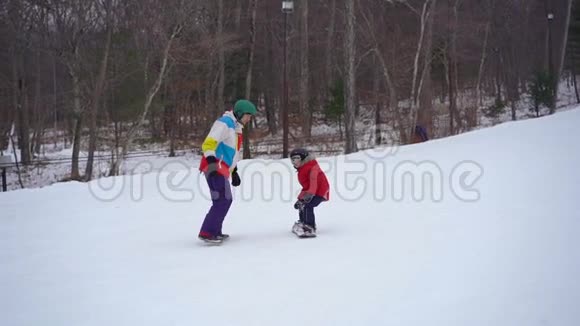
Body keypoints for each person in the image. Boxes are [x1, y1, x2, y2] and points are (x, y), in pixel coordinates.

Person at [198, 99, 256, 243]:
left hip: (222, 167)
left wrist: (234, 170)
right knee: (223, 199)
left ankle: (215, 231)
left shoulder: (236, 128)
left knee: (224, 199)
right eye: (248, 115)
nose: (249, 119)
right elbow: (209, 142)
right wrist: (211, 162)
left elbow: (232, 153)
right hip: (213, 165)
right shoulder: (225, 123)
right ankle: (207, 232)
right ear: (240, 113)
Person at [290, 148, 330, 237]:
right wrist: (300, 199)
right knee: (301, 204)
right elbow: (306, 187)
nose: (294, 162)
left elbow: (313, 184)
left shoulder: (312, 167)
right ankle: (303, 222)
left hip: (320, 191)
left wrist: (308, 196)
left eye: (296, 158)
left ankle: (310, 226)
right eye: (292, 159)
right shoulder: (303, 168)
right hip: (312, 191)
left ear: (303, 158)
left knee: (307, 205)